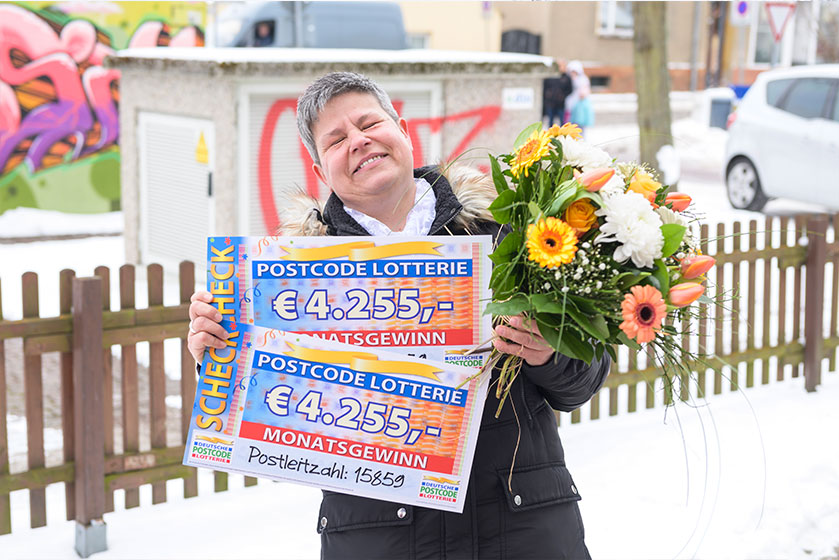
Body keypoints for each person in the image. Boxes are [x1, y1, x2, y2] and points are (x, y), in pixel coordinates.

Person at [187, 72, 610, 559]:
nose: (358, 141)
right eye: (336, 139)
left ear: (403, 131)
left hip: (522, 532)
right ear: (320, 171)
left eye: (369, 123)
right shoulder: (288, 279)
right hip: (379, 538)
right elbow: (267, 414)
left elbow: (581, 384)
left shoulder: (508, 233)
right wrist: (219, 353)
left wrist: (552, 352)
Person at [564, 60, 594, 137]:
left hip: (580, 103)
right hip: (572, 102)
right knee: (572, 122)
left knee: (580, 121)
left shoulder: (583, 79)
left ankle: (581, 136)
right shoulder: (569, 79)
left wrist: (582, 93)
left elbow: (585, 90)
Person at [542, 59, 573, 127]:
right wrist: (548, 95)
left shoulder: (566, 78)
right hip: (550, 103)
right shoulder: (550, 76)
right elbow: (545, 88)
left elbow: (570, 89)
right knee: (550, 122)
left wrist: (563, 96)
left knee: (562, 121)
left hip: (560, 104)